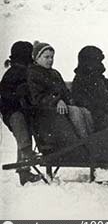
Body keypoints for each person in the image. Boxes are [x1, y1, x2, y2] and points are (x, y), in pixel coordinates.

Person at [26, 42, 94, 138]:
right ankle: (84, 140)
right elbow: (38, 97)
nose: (50, 60)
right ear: (37, 58)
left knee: (85, 112)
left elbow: (64, 90)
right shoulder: (33, 74)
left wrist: (71, 100)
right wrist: (56, 100)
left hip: (60, 106)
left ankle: (92, 138)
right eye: (46, 57)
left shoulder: (54, 73)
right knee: (75, 112)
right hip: (46, 110)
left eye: (52, 57)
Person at [0, 41, 42, 185]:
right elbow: (6, 94)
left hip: (23, 110)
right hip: (12, 111)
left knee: (24, 133)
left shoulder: (23, 71)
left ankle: (24, 172)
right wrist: (19, 95)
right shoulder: (14, 73)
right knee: (23, 131)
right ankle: (25, 162)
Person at [71, 46, 108, 131]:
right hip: (100, 118)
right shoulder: (80, 81)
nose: (100, 64)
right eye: (97, 61)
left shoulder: (99, 77)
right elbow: (85, 103)